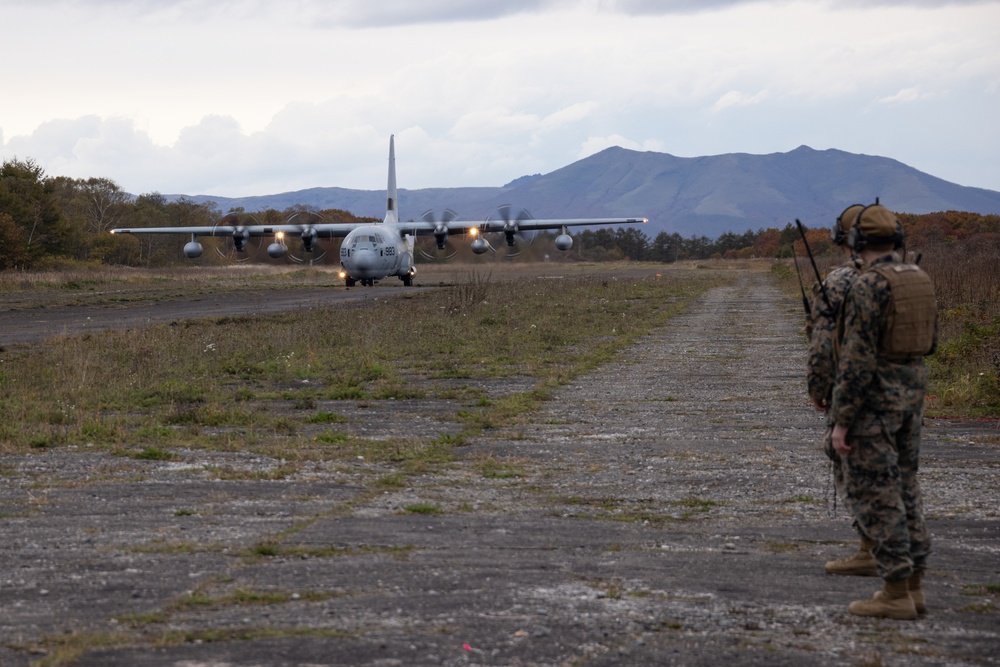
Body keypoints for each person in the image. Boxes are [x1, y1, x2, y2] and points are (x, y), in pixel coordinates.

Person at [829, 203, 938, 620]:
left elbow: (856, 359)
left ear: (857, 242)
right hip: (913, 396)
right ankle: (914, 586)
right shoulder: (919, 278)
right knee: (907, 487)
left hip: (876, 403)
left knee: (879, 494)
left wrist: (842, 420)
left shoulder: (869, 284)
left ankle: (894, 592)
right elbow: (931, 343)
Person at [806, 204, 876, 577]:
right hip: (907, 393)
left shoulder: (840, 281)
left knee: (850, 464)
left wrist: (819, 389)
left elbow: (822, 347)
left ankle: (871, 548)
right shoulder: (908, 275)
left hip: (856, 388)